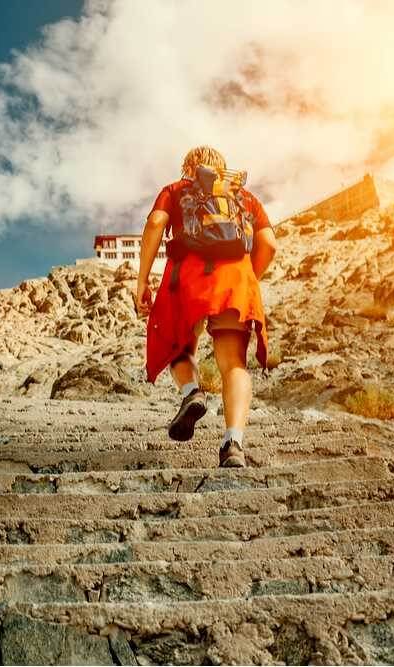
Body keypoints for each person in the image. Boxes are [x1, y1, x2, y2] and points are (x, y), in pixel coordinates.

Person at [133, 146, 277, 467]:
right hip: (234, 278)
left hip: (187, 276)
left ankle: (191, 392)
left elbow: (156, 222)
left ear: (189, 167)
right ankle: (233, 444)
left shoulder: (176, 190)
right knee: (233, 363)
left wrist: (142, 280)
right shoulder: (244, 196)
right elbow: (269, 244)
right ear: (222, 168)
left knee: (178, 348)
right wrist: (248, 278)